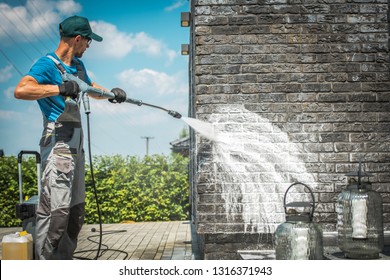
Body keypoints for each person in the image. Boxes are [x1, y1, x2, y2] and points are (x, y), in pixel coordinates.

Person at [14, 15, 126, 260]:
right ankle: (46, 264)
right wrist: (59, 88)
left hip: (76, 146)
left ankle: (64, 261)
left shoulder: (78, 66)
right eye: (88, 41)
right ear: (77, 39)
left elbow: (88, 86)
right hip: (58, 146)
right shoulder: (47, 65)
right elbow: (21, 90)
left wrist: (110, 94)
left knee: (74, 211)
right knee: (56, 211)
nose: (88, 46)